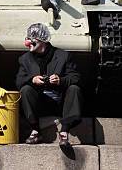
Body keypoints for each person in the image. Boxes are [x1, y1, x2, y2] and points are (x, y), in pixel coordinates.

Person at [16, 23, 82, 152]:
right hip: (39, 103)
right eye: (27, 38)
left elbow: (76, 77)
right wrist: (32, 80)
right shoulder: (25, 59)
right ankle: (35, 130)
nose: (28, 42)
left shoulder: (63, 56)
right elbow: (19, 81)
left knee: (74, 89)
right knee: (25, 90)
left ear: (41, 41)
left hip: (60, 101)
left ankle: (64, 132)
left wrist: (60, 80)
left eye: (31, 39)